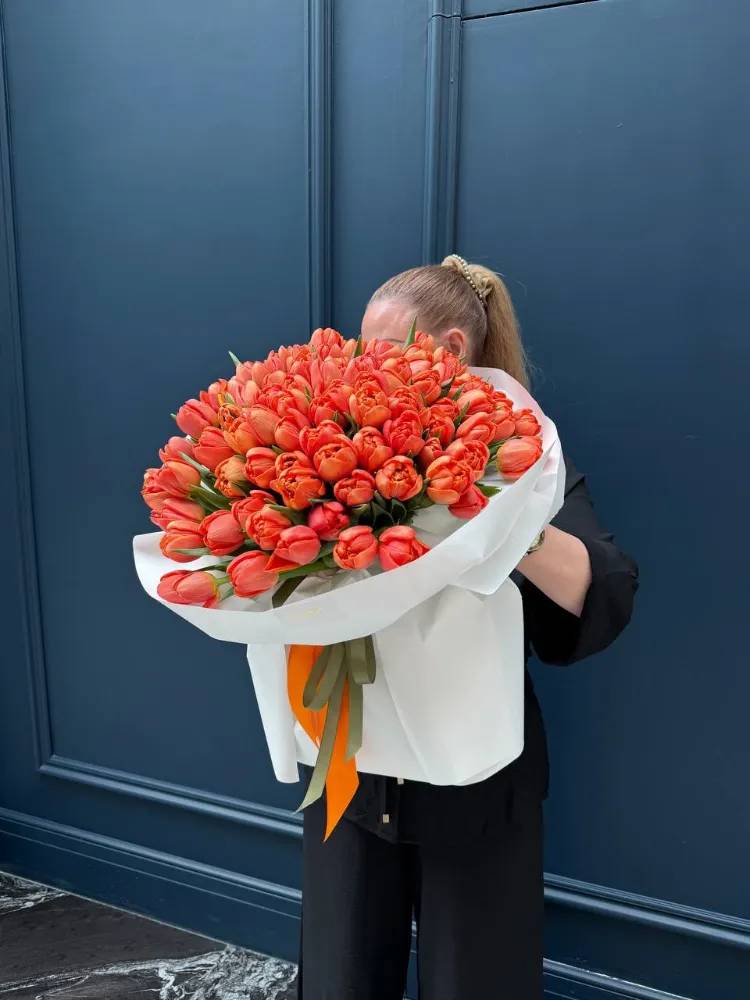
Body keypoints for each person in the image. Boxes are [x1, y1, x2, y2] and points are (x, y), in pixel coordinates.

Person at [295, 255, 639, 999]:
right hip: (355, 759)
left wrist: (502, 517)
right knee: (337, 977)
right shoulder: (333, 448)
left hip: (480, 783)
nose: (362, 367)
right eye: (358, 348)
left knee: (475, 982)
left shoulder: (525, 463)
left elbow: (605, 589)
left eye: (381, 350)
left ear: (449, 352)